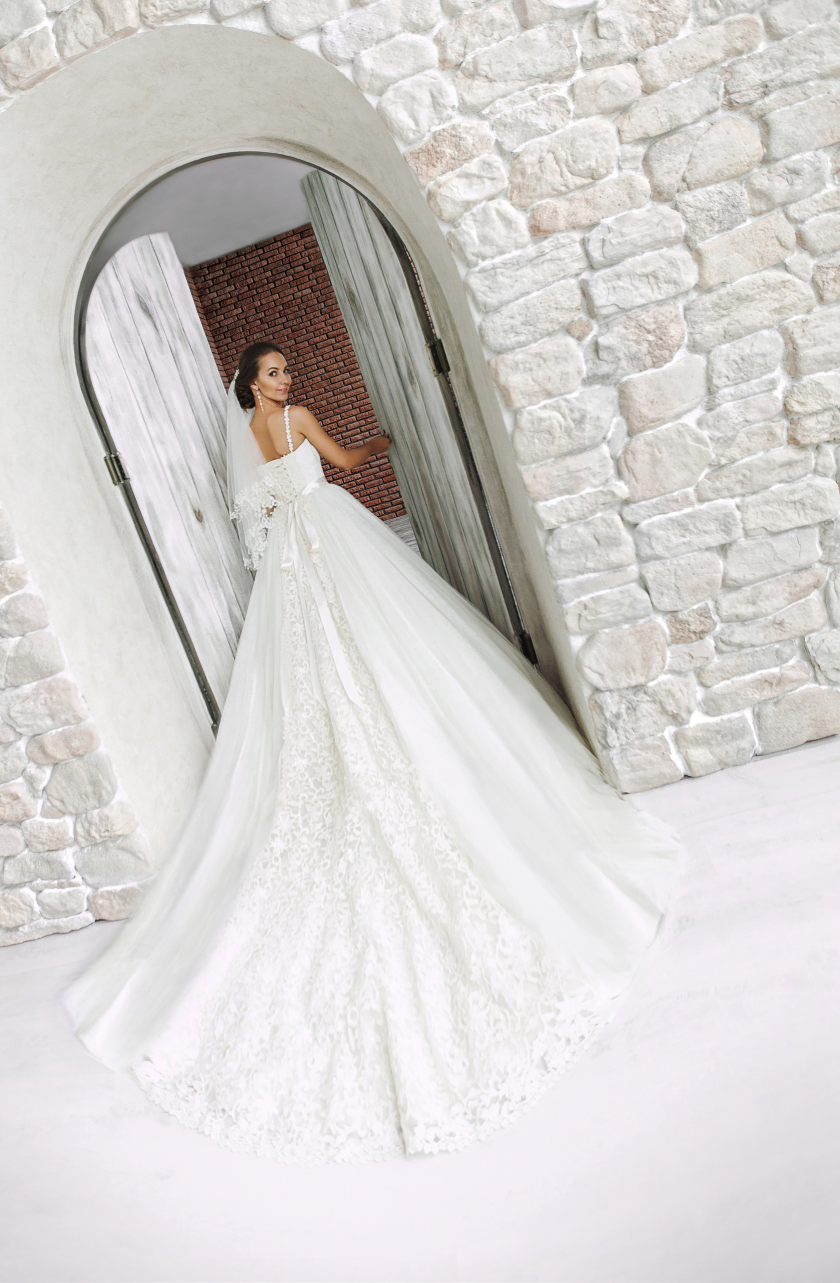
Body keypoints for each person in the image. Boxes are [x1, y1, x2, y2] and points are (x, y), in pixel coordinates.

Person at [67, 341, 679, 1164]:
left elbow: (255, 517)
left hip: (291, 561)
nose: (286, 379)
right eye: (274, 372)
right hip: (334, 538)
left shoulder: (248, 435)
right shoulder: (296, 419)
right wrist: (381, 442)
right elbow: (347, 463)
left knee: (311, 668)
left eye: (287, 370)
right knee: (389, 646)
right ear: (252, 383)